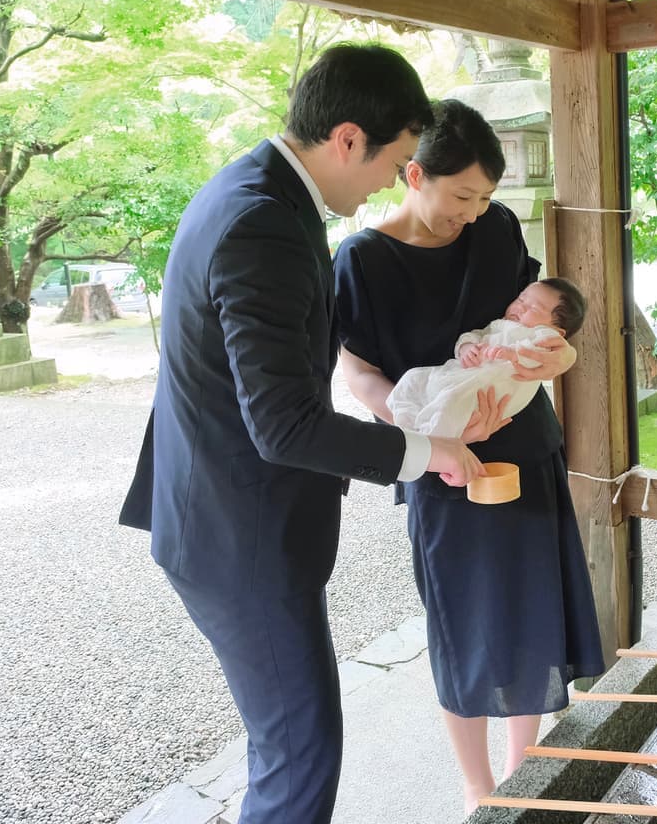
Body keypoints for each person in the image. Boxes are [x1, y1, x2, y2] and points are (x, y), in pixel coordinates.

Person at [117, 45, 492, 824]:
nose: (393, 181)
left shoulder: (250, 190)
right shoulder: (264, 225)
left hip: (217, 515)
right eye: (393, 162)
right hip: (238, 533)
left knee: (288, 745)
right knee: (300, 753)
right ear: (349, 138)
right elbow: (285, 424)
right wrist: (428, 454)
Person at [333, 99, 605, 815]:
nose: (476, 211)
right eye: (462, 195)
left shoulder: (497, 229)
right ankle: (479, 787)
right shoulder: (363, 260)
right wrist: (428, 439)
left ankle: (527, 771)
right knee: (463, 627)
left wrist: (563, 355)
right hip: (439, 464)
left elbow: (543, 323)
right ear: (413, 174)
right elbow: (358, 374)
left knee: (534, 613)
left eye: (486, 196)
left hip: (526, 450)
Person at [388, 278, 587, 438]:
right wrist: (467, 348)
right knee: (414, 378)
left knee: (451, 403)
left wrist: (512, 354)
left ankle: (430, 441)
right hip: (464, 375)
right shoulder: (500, 324)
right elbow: (475, 335)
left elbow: (540, 354)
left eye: (534, 309)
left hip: (488, 391)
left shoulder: (542, 335)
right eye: (521, 299)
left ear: (557, 330)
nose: (520, 308)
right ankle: (406, 424)